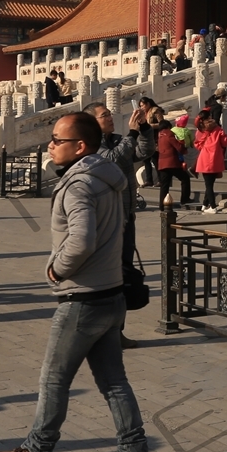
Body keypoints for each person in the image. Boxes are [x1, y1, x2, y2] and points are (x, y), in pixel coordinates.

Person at [0, 111, 149, 452]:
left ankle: (37, 450)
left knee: (54, 379)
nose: (50, 145)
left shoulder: (78, 185)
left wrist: (56, 268)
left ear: (79, 146)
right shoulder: (108, 178)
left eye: (58, 140)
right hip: (111, 293)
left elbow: (81, 239)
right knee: (114, 382)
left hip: (83, 299)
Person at [85, 101, 142, 345]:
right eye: (104, 115)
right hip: (107, 222)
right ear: (91, 123)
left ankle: (116, 331)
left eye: (109, 114)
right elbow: (113, 160)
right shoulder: (90, 146)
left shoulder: (118, 139)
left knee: (123, 277)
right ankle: (98, 332)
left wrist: (145, 130)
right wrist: (133, 134)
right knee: (107, 278)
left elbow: (143, 152)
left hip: (127, 216)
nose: (109, 118)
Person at [193, 110, 227, 210]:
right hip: (216, 159)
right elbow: (225, 142)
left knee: (208, 185)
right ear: (210, 117)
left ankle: (210, 206)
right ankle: (209, 205)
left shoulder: (200, 130)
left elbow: (197, 144)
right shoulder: (217, 128)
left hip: (205, 159)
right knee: (210, 184)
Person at [157, 115, 190, 206]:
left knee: (164, 186)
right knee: (185, 178)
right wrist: (184, 149)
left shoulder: (159, 135)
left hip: (162, 163)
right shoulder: (169, 133)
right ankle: (184, 199)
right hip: (172, 162)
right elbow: (178, 147)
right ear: (168, 126)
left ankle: (162, 205)